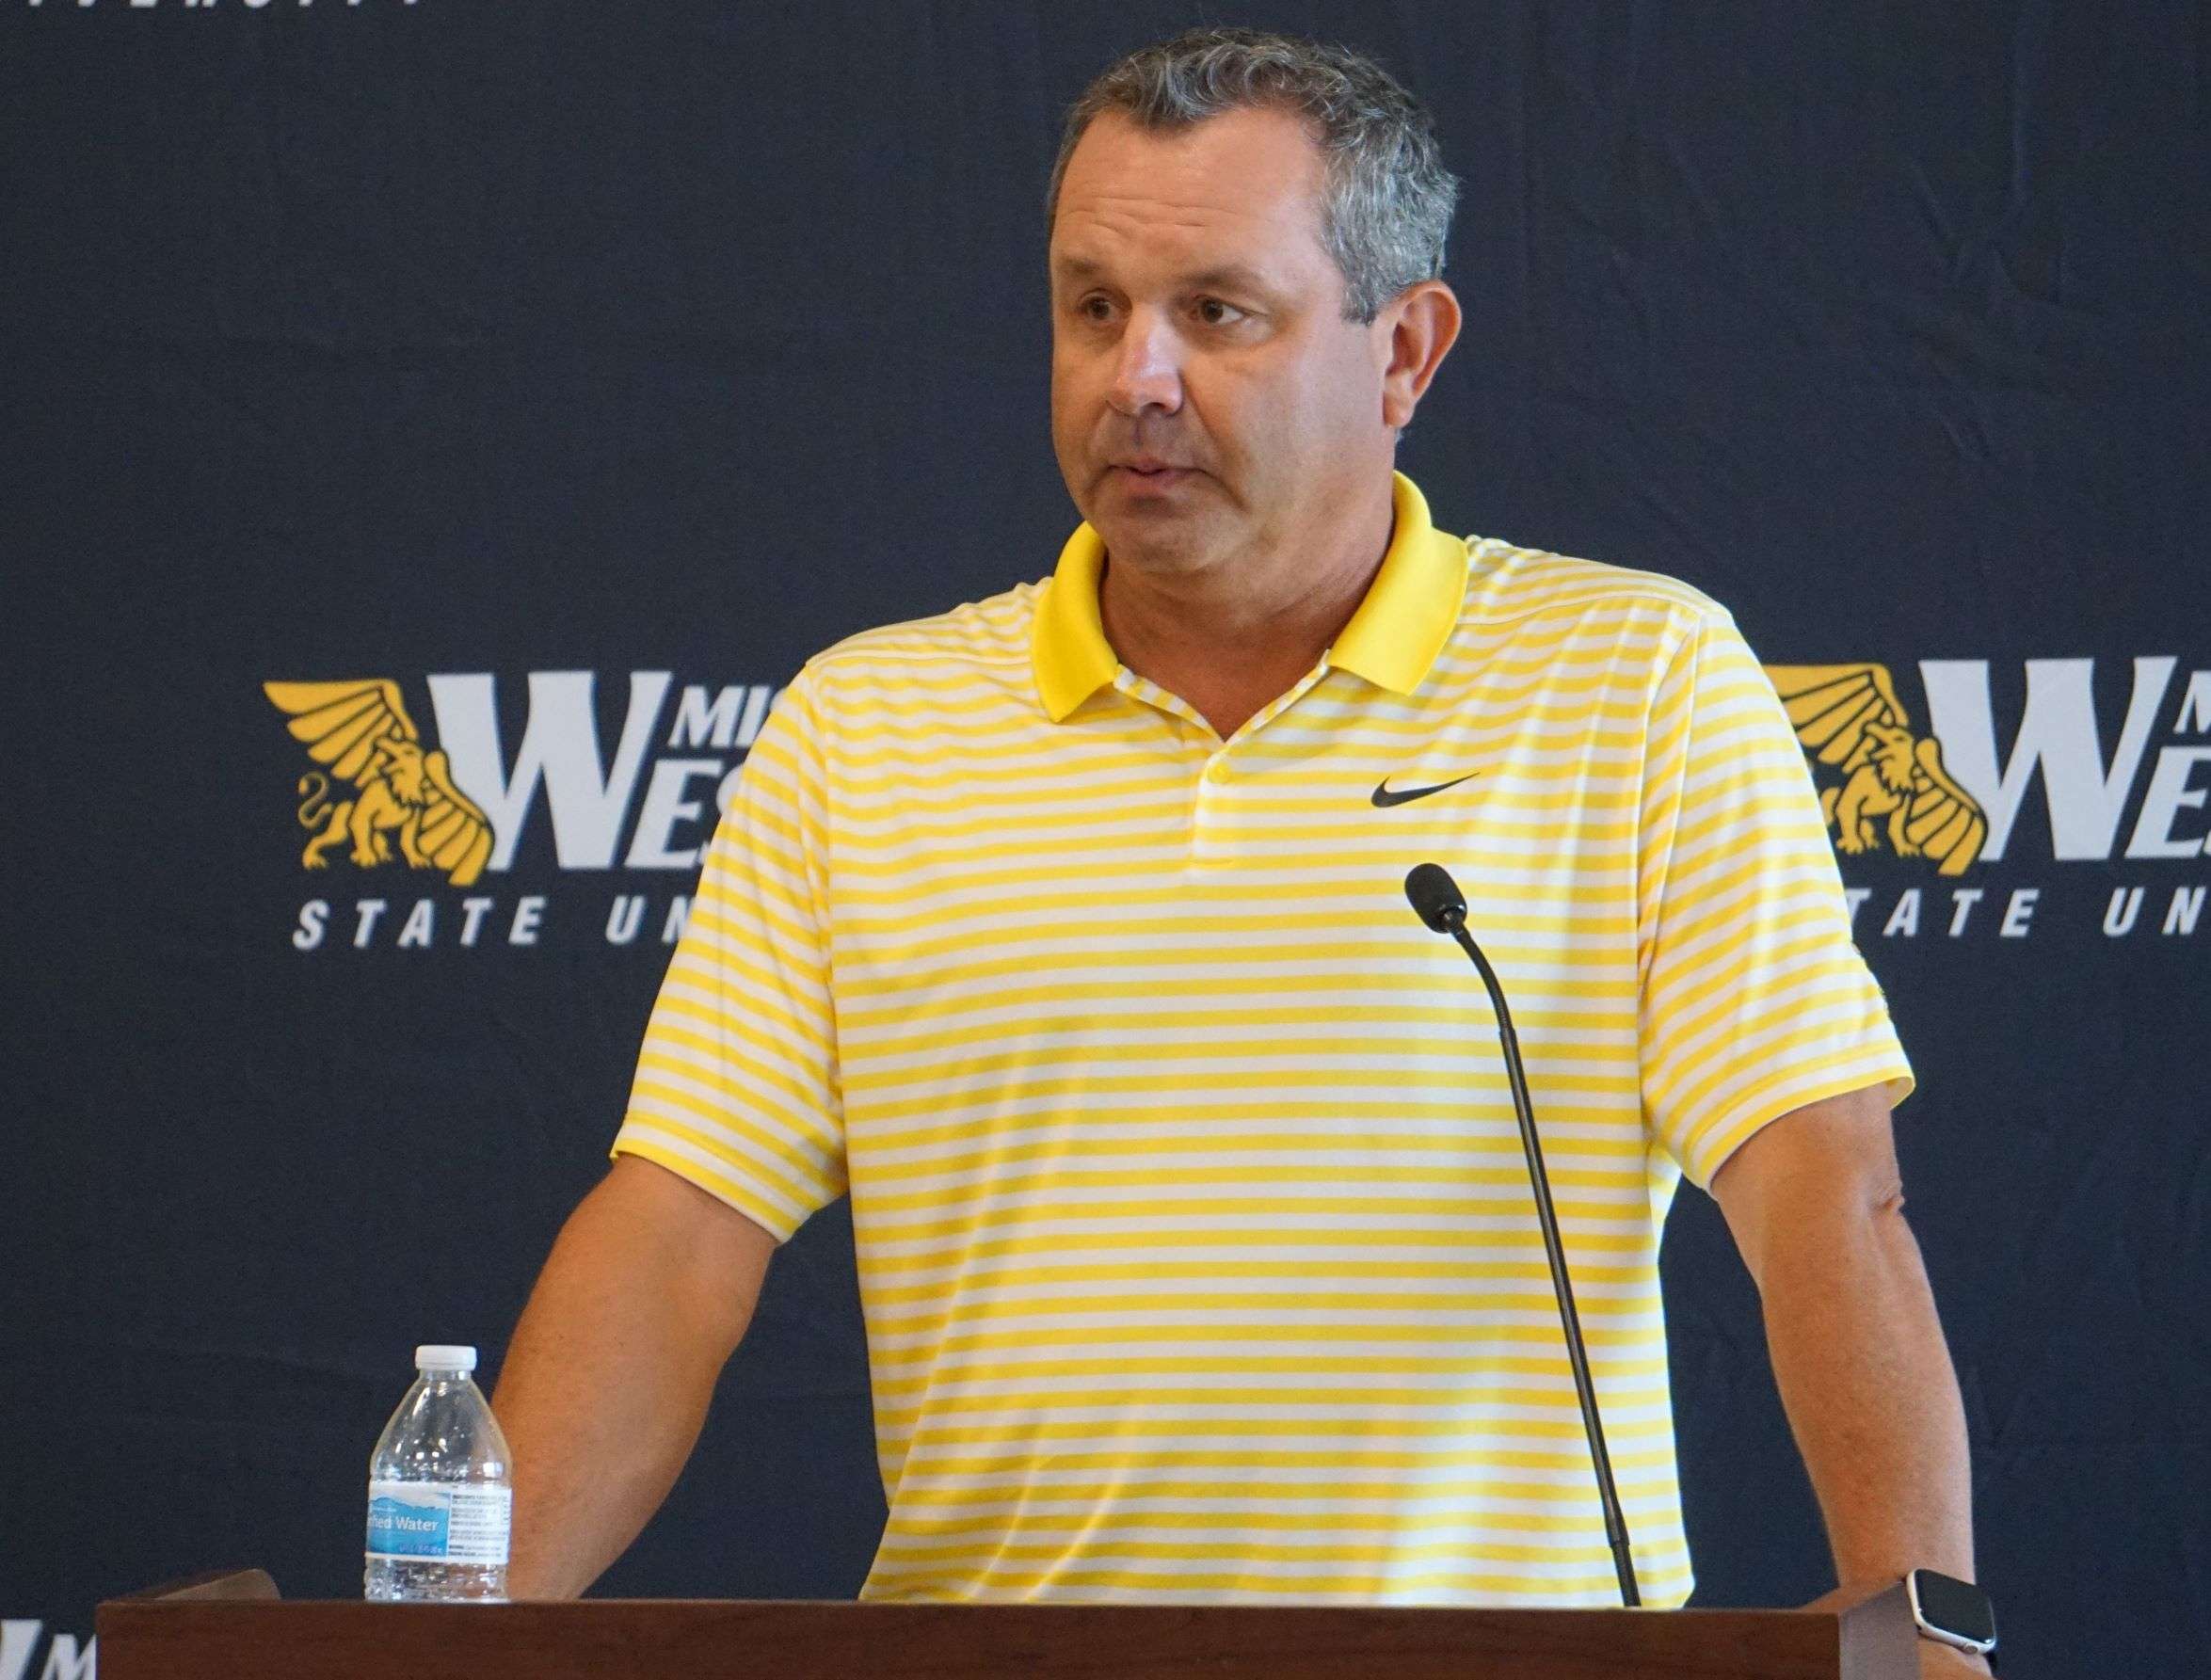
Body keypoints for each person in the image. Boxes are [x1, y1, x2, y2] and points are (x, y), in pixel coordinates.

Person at [492, 26, 1988, 1672]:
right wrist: (452, 1639)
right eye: (1090, 308)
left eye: (1216, 313)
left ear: (1404, 348)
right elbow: (676, 1235)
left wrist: (1922, 1623)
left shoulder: (1633, 682)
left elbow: (1820, 1197)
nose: (1136, 376)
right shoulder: (866, 725)